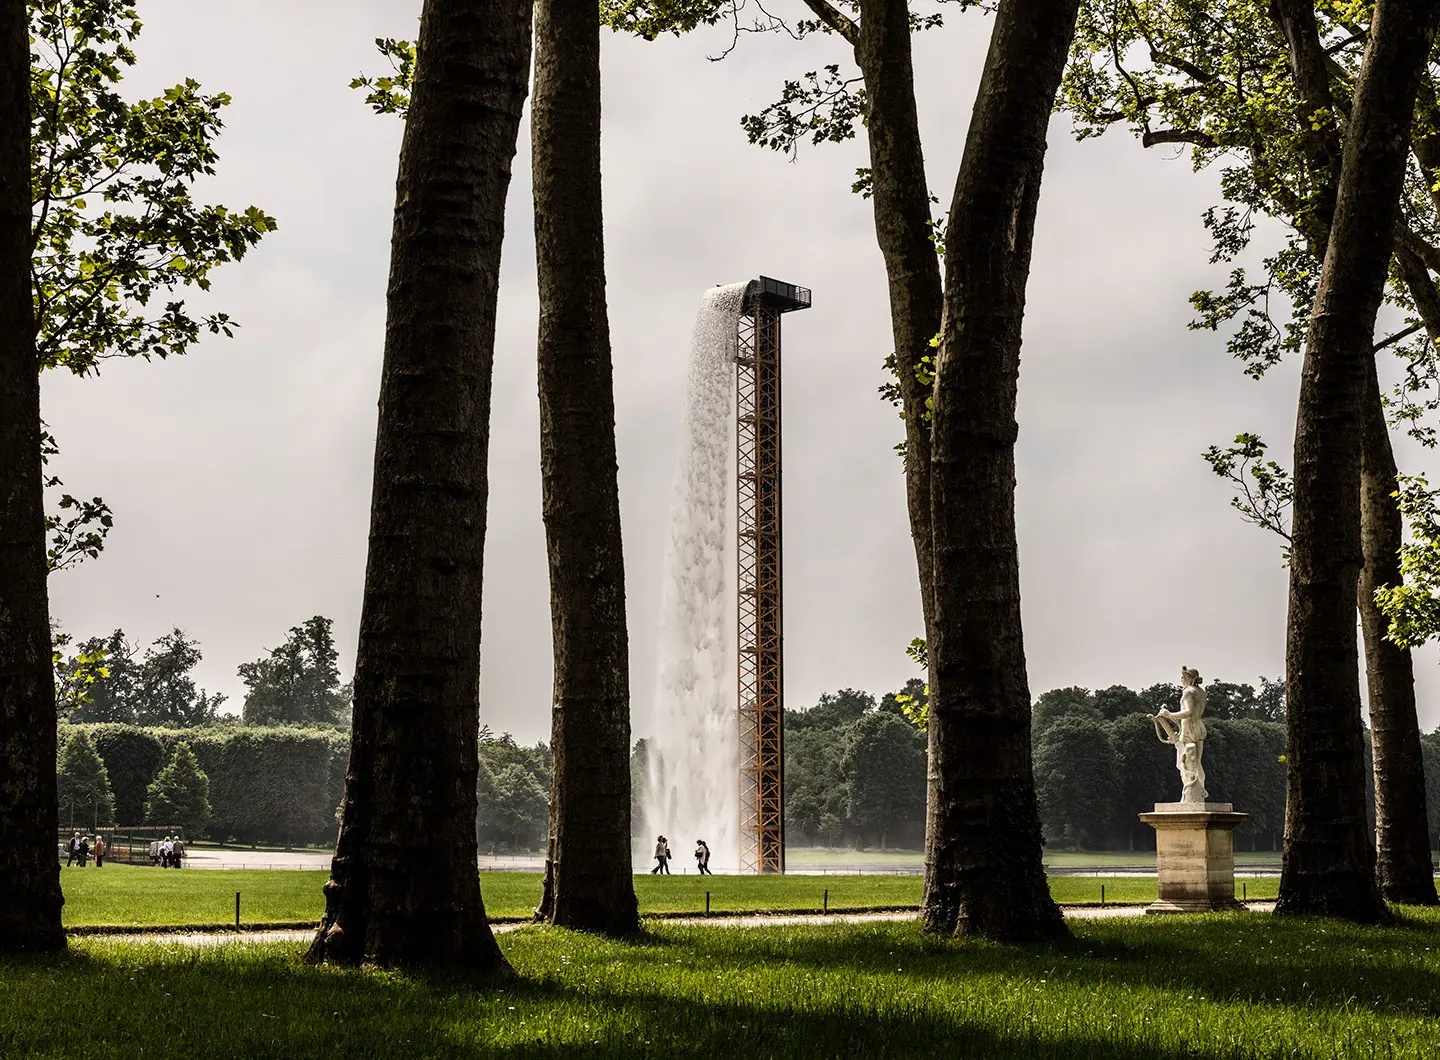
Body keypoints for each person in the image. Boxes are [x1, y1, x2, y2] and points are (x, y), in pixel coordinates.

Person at [1152, 665, 1209, 803]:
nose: (1181, 679)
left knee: (1185, 762)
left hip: (1189, 728)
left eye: (1183, 677)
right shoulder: (1201, 692)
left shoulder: (1188, 692)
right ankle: (1200, 791)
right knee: (1197, 763)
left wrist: (1169, 714)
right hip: (1200, 727)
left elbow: (1188, 712)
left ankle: (1191, 795)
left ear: (1189, 678)